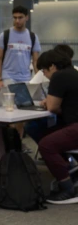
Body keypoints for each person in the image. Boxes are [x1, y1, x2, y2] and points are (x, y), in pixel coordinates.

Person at [33, 50, 78, 204]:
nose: (44, 75)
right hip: (72, 123)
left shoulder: (59, 76)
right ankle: (68, 169)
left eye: (44, 71)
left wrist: (49, 102)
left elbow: (52, 107)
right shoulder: (74, 73)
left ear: (52, 67)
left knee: (46, 145)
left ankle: (67, 188)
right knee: (35, 127)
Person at [0, 6, 41, 90]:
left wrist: (39, 79)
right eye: (15, 18)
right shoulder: (5, 35)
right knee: (9, 102)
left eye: (20, 18)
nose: (17, 21)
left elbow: (36, 61)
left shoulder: (33, 37)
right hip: (8, 76)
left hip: (26, 78)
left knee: (24, 102)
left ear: (26, 18)